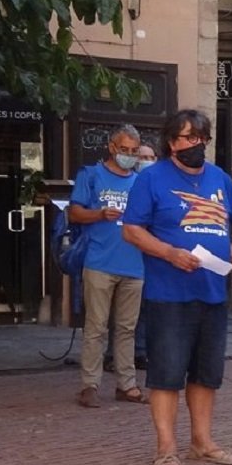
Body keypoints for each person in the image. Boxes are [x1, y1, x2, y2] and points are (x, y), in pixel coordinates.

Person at [121, 109, 232, 465]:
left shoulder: (220, 179)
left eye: (199, 138)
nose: (194, 144)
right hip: (168, 294)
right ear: (170, 142)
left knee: (206, 373)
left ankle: (203, 443)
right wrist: (169, 253)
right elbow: (131, 230)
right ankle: (166, 448)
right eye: (186, 137)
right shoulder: (152, 179)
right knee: (166, 373)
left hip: (212, 291)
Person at [70, 125, 148, 408]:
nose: (128, 155)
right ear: (112, 147)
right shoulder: (91, 176)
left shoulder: (141, 182)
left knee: (127, 328)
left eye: (133, 151)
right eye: (124, 149)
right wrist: (99, 214)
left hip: (134, 264)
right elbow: (74, 212)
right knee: (96, 327)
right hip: (100, 262)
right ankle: (89, 385)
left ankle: (126, 385)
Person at [130, 142, 157, 369]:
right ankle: (116, 355)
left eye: (151, 157)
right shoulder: (130, 183)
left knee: (147, 308)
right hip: (126, 256)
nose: (146, 162)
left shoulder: (158, 186)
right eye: (142, 157)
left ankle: (142, 351)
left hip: (152, 258)